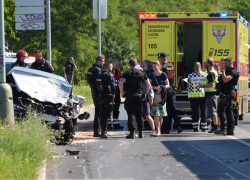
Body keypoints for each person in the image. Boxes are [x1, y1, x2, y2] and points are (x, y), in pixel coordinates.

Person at [119, 58, 150, 139]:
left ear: (130, 65)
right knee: (139, 114)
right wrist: (145, 94)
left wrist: (122, 93)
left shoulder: (127, 73)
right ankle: (141, 133)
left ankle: (132, 133)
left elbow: (121, 83)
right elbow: (148, 84)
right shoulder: (142, 73)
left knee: (131, 114)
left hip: (130, 95)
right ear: (137, 64)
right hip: (140, 95)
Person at [158, 52, 182, 134]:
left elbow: (162, 79)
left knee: (164, 108)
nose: (158, 60)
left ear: (162, 58)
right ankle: (178, 126)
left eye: (159, 58)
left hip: (164, 89)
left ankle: (166, 128)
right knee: (172, 108)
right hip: (171, 89)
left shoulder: (162, 67)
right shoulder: (171, 66)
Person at [215, 57, 239, 135]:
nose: (224, 65)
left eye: (226, 64)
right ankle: (230, 130)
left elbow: (225, 80)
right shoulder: (229, 71)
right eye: (223, 63)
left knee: (221, 110)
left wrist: (223, 71)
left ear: (230, 63)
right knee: (229, 111)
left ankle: (223, 129)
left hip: (228, 93)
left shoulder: (233, 71)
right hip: (226, 93)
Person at [149, 61, 169, 136]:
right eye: (153, 67)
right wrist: (156, 88)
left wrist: (161, 88)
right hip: (154, 97)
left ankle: (159, 130)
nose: (154, 68)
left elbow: (168, 85)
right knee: (156, 115)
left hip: (162, 97)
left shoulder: (163, 74)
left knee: (160, 115)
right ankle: (158, 131)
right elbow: (149, 85)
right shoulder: (151, 75)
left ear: (159, 66)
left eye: (155, 66)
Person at [87, 55, 105, 137]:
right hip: (98, 93)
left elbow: (89, 81)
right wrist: (101, 92)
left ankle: (96, 130)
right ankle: (97, 131)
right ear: (99, 61)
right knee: (99, 111)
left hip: (93, 91)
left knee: (97, 110)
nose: (103, 63)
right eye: (103, 61)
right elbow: (99, 82)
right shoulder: (98, 70)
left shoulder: (91, 69)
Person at [96, 62, 116, 138]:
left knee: (102, 114)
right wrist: (113, 93)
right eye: (111, 67)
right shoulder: (109, 76)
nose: (111, 69)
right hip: (107, 96)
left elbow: (95, 85)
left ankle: (102, 132)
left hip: (101, 97)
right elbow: (112, 85)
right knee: (106, 115)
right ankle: (104, 132)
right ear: (108, 68)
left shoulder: (99, 76)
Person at [199, 57, 219, 132]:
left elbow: (211, 84)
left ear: (209, 64)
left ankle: (215, 127)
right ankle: (215, 126)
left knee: (212, 111)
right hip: (211, 95)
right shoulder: (213, 71)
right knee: (213, 111)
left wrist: (203, 86)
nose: (205, 63)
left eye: (206, 62)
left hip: (211, 95)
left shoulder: (211, 73)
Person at [188, 62, 207, 132]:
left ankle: (195, 127)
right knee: (204, 110)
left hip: (193, 96)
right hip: (203, 95)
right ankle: (204, 127)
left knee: (194, 111)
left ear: (194, 67)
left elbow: (188, 85)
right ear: (201, 67)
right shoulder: (205, 74)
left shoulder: (190, 75)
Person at [109, 59, 124, 130]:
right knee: (109, 109)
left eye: (118, 65)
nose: (118, 66)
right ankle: (108, 125)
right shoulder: (109, 72)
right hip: (110, 92)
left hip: (117, 92)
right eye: (116, 65)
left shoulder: (118, 72)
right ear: (112, 64)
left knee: (116, 109)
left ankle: (116, 124)